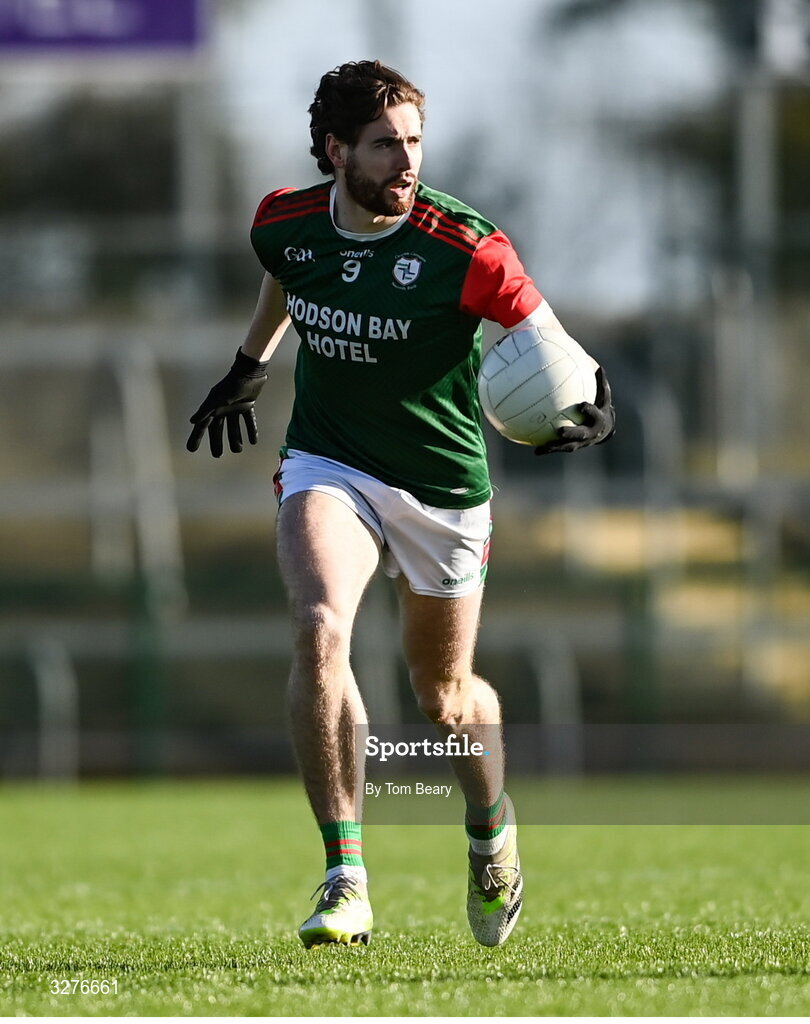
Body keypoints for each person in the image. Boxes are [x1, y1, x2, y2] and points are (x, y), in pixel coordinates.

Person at [187, 60, 614, 949]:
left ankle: (491, 831)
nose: (407, 161)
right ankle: (346, 875)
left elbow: (548, 340)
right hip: (329, 462)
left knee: (446, 699)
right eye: (386, 145)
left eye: (415, 142)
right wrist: (250, 363)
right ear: (337, 151)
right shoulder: (284, 222)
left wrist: (594, 403)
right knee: (320, 626)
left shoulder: (464, 246)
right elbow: (287, 276)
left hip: (443, 487)